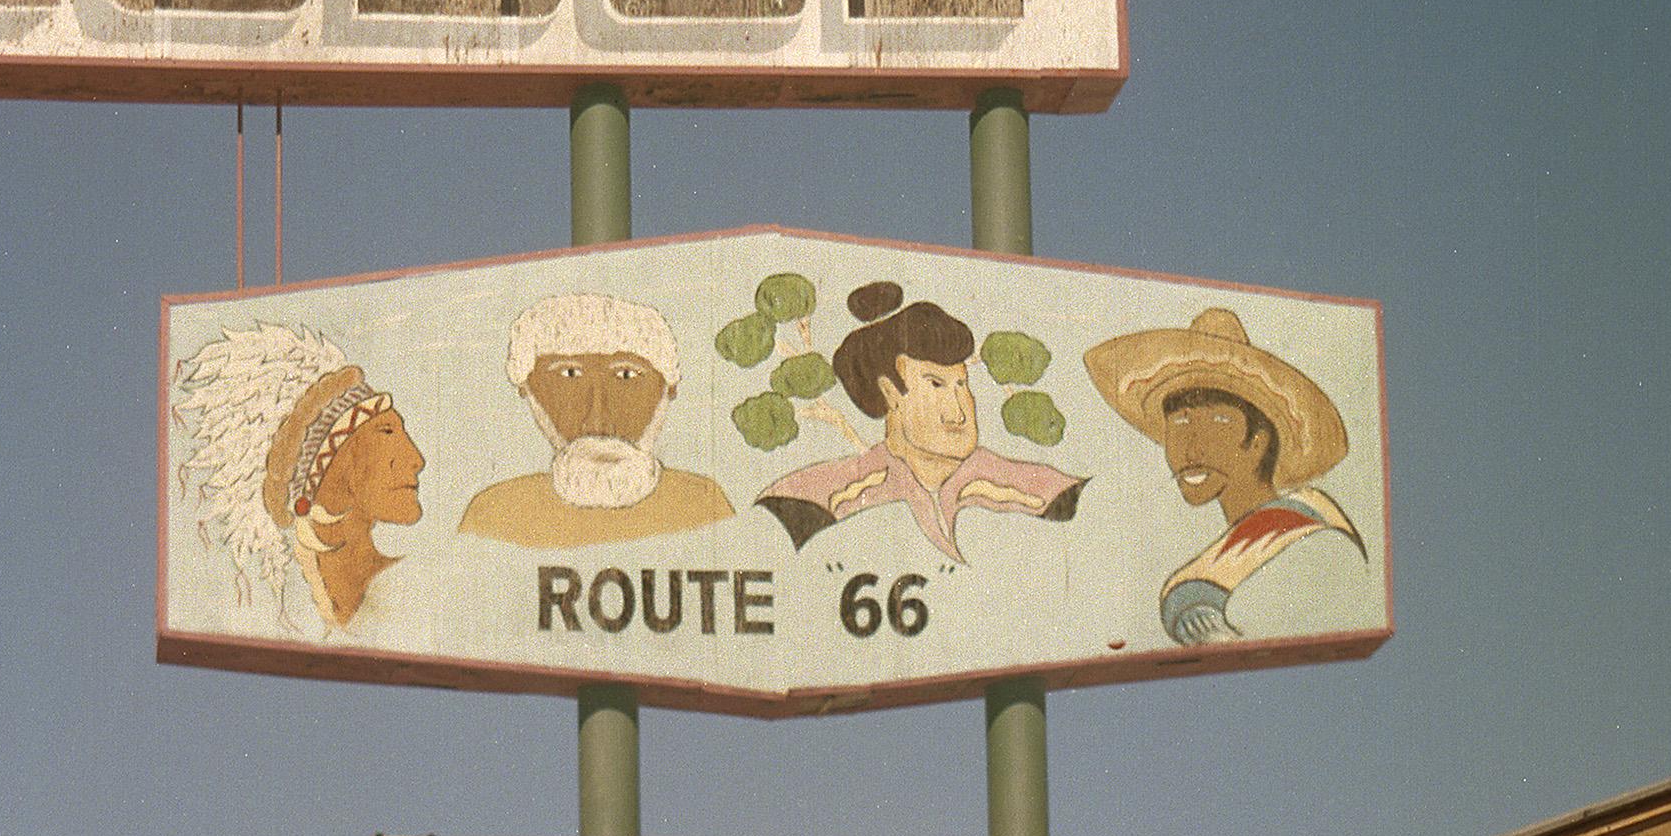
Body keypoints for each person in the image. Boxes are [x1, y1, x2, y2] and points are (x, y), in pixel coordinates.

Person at [1077, 305, 1364, 644]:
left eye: (1218, 423)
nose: (1192, 450)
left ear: (1258, 441)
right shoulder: (1219, 558)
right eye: (1180, 423)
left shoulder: (1312, 543)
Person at [758, 282, 1080, 561]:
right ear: (890, 393)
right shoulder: (811, 501)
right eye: (936, 385)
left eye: (962, 384)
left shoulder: (1045, 493)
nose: (958, 412)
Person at [169, 319, 426, 632]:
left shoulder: (416, 590)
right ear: (328, 469)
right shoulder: (295, 619)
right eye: (386, 432)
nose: (416, 459)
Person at [453, 289, 730, 547]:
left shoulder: (704, 507)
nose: (598, 421)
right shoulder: (495, 516)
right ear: (526, 389)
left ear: (669, 389)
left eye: (626, 376)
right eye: (569, 375)